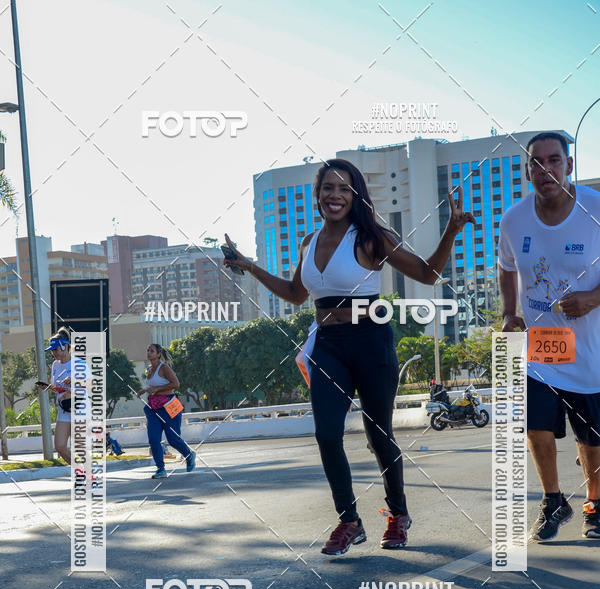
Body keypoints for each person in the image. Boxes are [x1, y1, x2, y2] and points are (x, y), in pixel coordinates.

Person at [224, 158, 473, 554]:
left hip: (370, 339)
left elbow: (427, 274)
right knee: (326, 434)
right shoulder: (308, 242)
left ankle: (398, 514)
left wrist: (452, 229)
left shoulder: (370, 237)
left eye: (343, 188)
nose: (334, 195)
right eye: (327, 188)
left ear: (355, 195)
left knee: (378, 435)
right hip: (327, 343)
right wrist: (249, 266)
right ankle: (349, 521)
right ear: (317, 195)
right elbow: (294, 294)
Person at [499, 131, 600, 541]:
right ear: (527, 172)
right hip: (543, 347)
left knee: (591, 438)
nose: (546, 170)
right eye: (537, 163)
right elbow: (506, 267)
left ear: (569, 166)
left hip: (592, 350)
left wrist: (593, 297)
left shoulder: (595, 209)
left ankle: (595, 503)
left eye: (554, 160)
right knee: (535, 424)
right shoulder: (513, 219)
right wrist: (509, 312)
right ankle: (553, 499)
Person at [137, 343, 196, 479]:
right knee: (153, 439)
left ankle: (189, 454)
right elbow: (153, 386)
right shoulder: (149, 369)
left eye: (152, 350)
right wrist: (145, 390)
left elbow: (176, 384)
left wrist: (156, 390)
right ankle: (161, 469)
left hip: (169, 405)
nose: (149, 352)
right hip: (153, 408)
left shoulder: (164, 368)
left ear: (158, 354)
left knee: (173, 439)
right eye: (147, 350)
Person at [40, 327, 74, 464]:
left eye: (55, 350)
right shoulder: (55, 365)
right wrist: (49, 387)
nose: (53, 353)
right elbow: (60, 388)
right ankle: (82, 472)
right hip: (64, 409)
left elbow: (92, 384)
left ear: (65, 346)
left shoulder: (78, 363)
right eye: (52, 350)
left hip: (79, 409)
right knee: (60, 446)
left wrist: (75, 380)